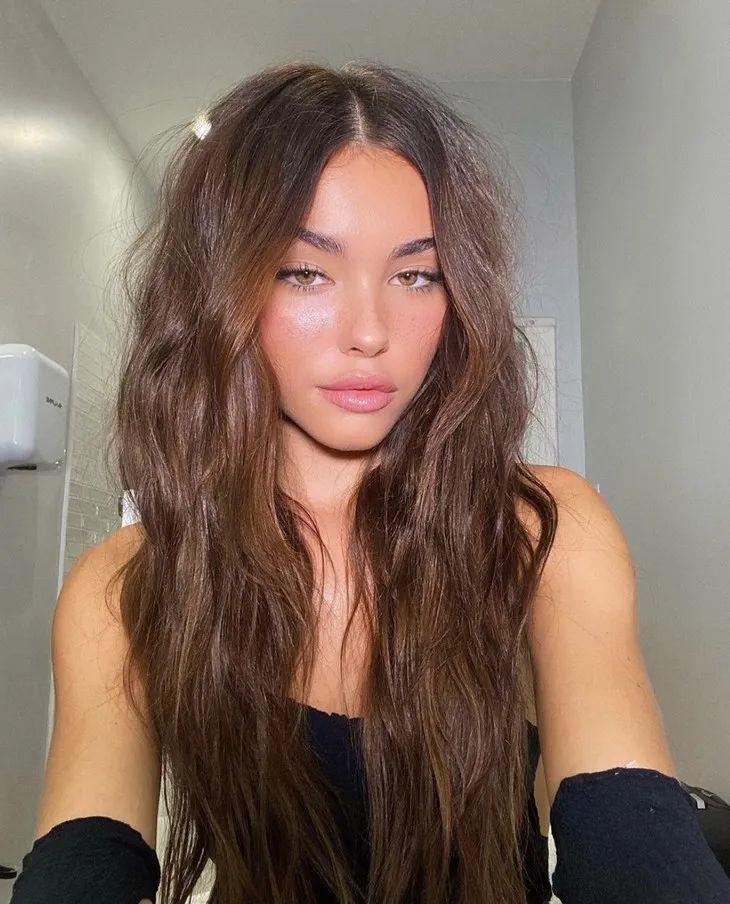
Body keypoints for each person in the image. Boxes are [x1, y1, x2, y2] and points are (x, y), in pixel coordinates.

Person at [10, 60, 730, 904]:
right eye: (304, 271)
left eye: (415, 274)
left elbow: (631, 830)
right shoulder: (122, 586)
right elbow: (86, 852)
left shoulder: (539, 528)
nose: (370, 331)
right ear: (218, 290)